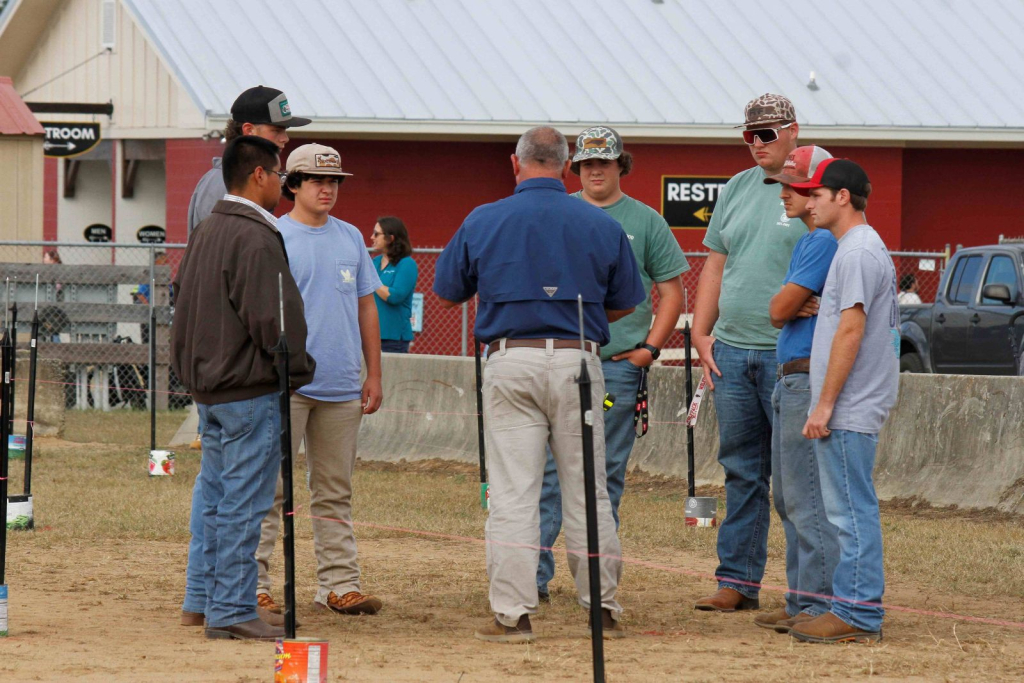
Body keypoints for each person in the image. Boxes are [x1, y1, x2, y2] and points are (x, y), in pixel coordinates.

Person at [433, 126, 645, 643]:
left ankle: (513, 613)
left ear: (516, 162)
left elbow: (446, 292)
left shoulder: (485, 218)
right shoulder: (598, 223)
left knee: (513, 494)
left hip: (511, 358)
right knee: (587, 489)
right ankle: (603, 610)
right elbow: (625, 302)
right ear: (567, 165)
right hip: (579, 357)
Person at [171, 135, 315, 641]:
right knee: (243, 501)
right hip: (247, 388)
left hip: (209, 385)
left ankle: (201, 598)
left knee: (213, 496)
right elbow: (274, 316)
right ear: (259, 175)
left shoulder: (209, 228)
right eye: (279, 175)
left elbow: (183, 302)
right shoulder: (254, 235)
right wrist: (298, 366)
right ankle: (232, 607)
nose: (281, 184)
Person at [536, 126, 688, 600]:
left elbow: (671, 291)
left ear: (622, 164)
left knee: (603, 474)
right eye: (585, 163)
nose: (595, 169)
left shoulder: (646, 221)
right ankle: (533, 576)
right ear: (573, 168)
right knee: (542, 474)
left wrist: (650, 349)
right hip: (556, 361)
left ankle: (597, 581)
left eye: (605, 161)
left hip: (616, 369)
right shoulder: (555, 214)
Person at [254, 143, 385, 617]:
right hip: (286, 384)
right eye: (316, 180)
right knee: (269, 488)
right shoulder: (273, 235)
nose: (328, 188)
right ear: (291, 185)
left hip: (342, 385)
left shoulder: (351, 237)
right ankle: (256, 584)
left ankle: (338, 584)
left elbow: (366, 305)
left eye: (334, 181)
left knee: (334, 490)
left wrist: (373, 372)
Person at [692, 94, 808, 612]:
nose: (756, 143)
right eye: (749, 135)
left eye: (765, 134)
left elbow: (838, 247)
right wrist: (700, 330)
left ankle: (807, 594)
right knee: (741, 470)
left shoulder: (814, 180)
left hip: (788, 356)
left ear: (792, 131)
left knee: (795, 481)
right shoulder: (737, 188)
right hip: (732, 352)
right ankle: (736, 581)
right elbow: (716, 263)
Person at [789, 159, 897, 644]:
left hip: (849, 406)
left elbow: (850, 329)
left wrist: (825, 403)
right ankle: (848, 606)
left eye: (816, 194)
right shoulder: (854, 249)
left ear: (843, 197)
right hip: (850, 403)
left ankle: (858, 615)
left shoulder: (856, 253)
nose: (808, 202)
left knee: (850, 513)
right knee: (846, 511)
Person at [755, 146, 841, 633]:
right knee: (789, 496)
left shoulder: (820, 240)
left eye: (796, 186)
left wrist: (794, 300)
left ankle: (816, 604)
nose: (785, 194)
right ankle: (799, 599)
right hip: (792, 370)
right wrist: (791, 301)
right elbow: (784, 305)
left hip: (805, 374)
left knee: (806, 497)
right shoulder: (809, 241)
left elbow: (777, 309)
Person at [187, 86, 310, 236]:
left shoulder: (222, 178)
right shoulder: (232, 184)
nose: (285, 138)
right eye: (276, 130)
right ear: (249, 130)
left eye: (285, 130)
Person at [371, 216, 419, 353]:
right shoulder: (375, 262)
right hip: (370, 335)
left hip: (393, 339)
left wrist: (371, 281)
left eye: (376, 234)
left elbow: (395, 296)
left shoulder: (406, 264)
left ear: (390, 238)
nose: (372, 237)